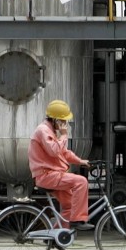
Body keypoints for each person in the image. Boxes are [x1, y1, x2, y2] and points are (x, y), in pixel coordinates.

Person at [27, 99, 93, 231]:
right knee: (81, 182)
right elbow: (54, 150)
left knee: (70, 205)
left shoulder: (50, 131)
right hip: (47, 175)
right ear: (56, 120)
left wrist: (80, 161)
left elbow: (63, 152)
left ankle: (56, 236)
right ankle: (78, 219)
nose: (65, 124)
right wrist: (64, 135)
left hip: (51, 175)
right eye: (63, 121)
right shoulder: (43, 130)